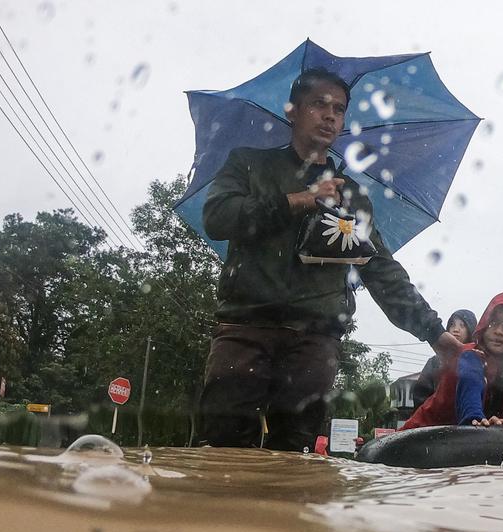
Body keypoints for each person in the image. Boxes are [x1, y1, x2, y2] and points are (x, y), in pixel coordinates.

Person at [197, 68, 460, 452]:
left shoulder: (349, 195)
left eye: (338, 109)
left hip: (314, 340)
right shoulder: (249, 164)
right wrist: (299, 199)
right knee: (221, 449)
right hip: (245, 329)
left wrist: (435, 334)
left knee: (294, 456)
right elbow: (218, 217)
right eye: (318, 104)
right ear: (292, 111)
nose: (330, 115)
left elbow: (381, 270)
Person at [402, 289, 503, 429]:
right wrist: (475, 419)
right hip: (418, 437)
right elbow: (471, 384)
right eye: (493, 322)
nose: (498, 331)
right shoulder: (471, 356)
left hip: (454, 445)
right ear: (484, 325)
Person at [411, 309, 478, 409]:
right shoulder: (434, 363)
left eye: (462, 325)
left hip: (470, 421)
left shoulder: (478, 361)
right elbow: (420, 396)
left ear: (471, 330)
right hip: (435, 420)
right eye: (452, 324)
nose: (456, 329)